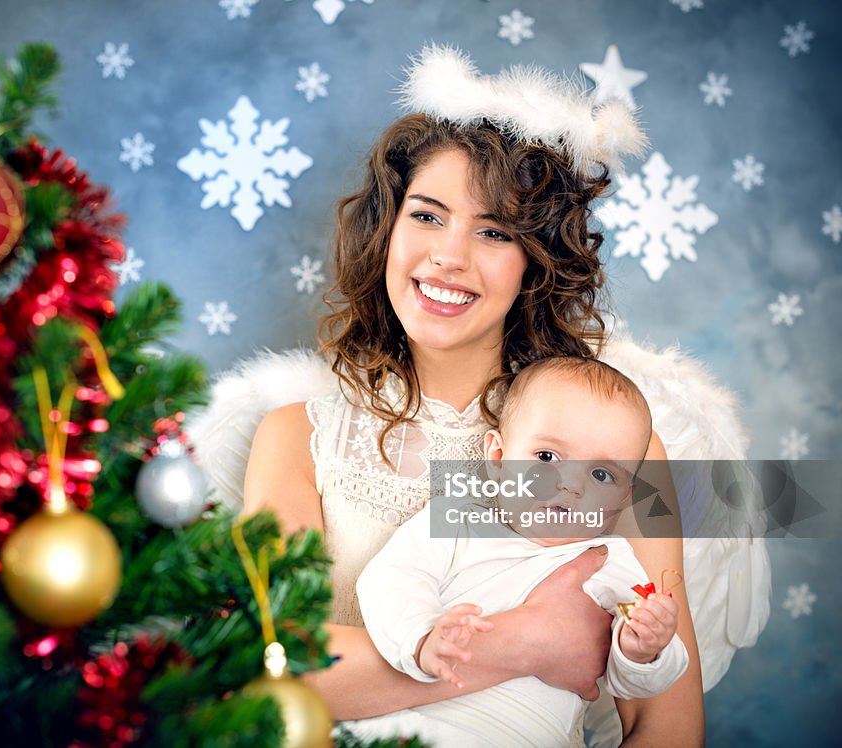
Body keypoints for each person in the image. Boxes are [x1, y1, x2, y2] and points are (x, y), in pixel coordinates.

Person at [242, 46, 704, 745]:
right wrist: (527, 643)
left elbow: (667, 722)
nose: (449, 256)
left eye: (493, 231)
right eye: (427, 216)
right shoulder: (295, 439)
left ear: (535, 262)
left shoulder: (620, 452)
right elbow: (270, 669)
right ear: (388, 230)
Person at [351, 356, 689, 746]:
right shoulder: (455, 520)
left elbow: (636, 684)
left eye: (601, 475)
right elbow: (391, 578)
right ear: (497, 458)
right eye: (547, 457)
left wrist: (641, 650)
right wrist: (420, 638)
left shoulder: (611, 564)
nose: (571, 485)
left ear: (621, 499)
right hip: (414, 723)